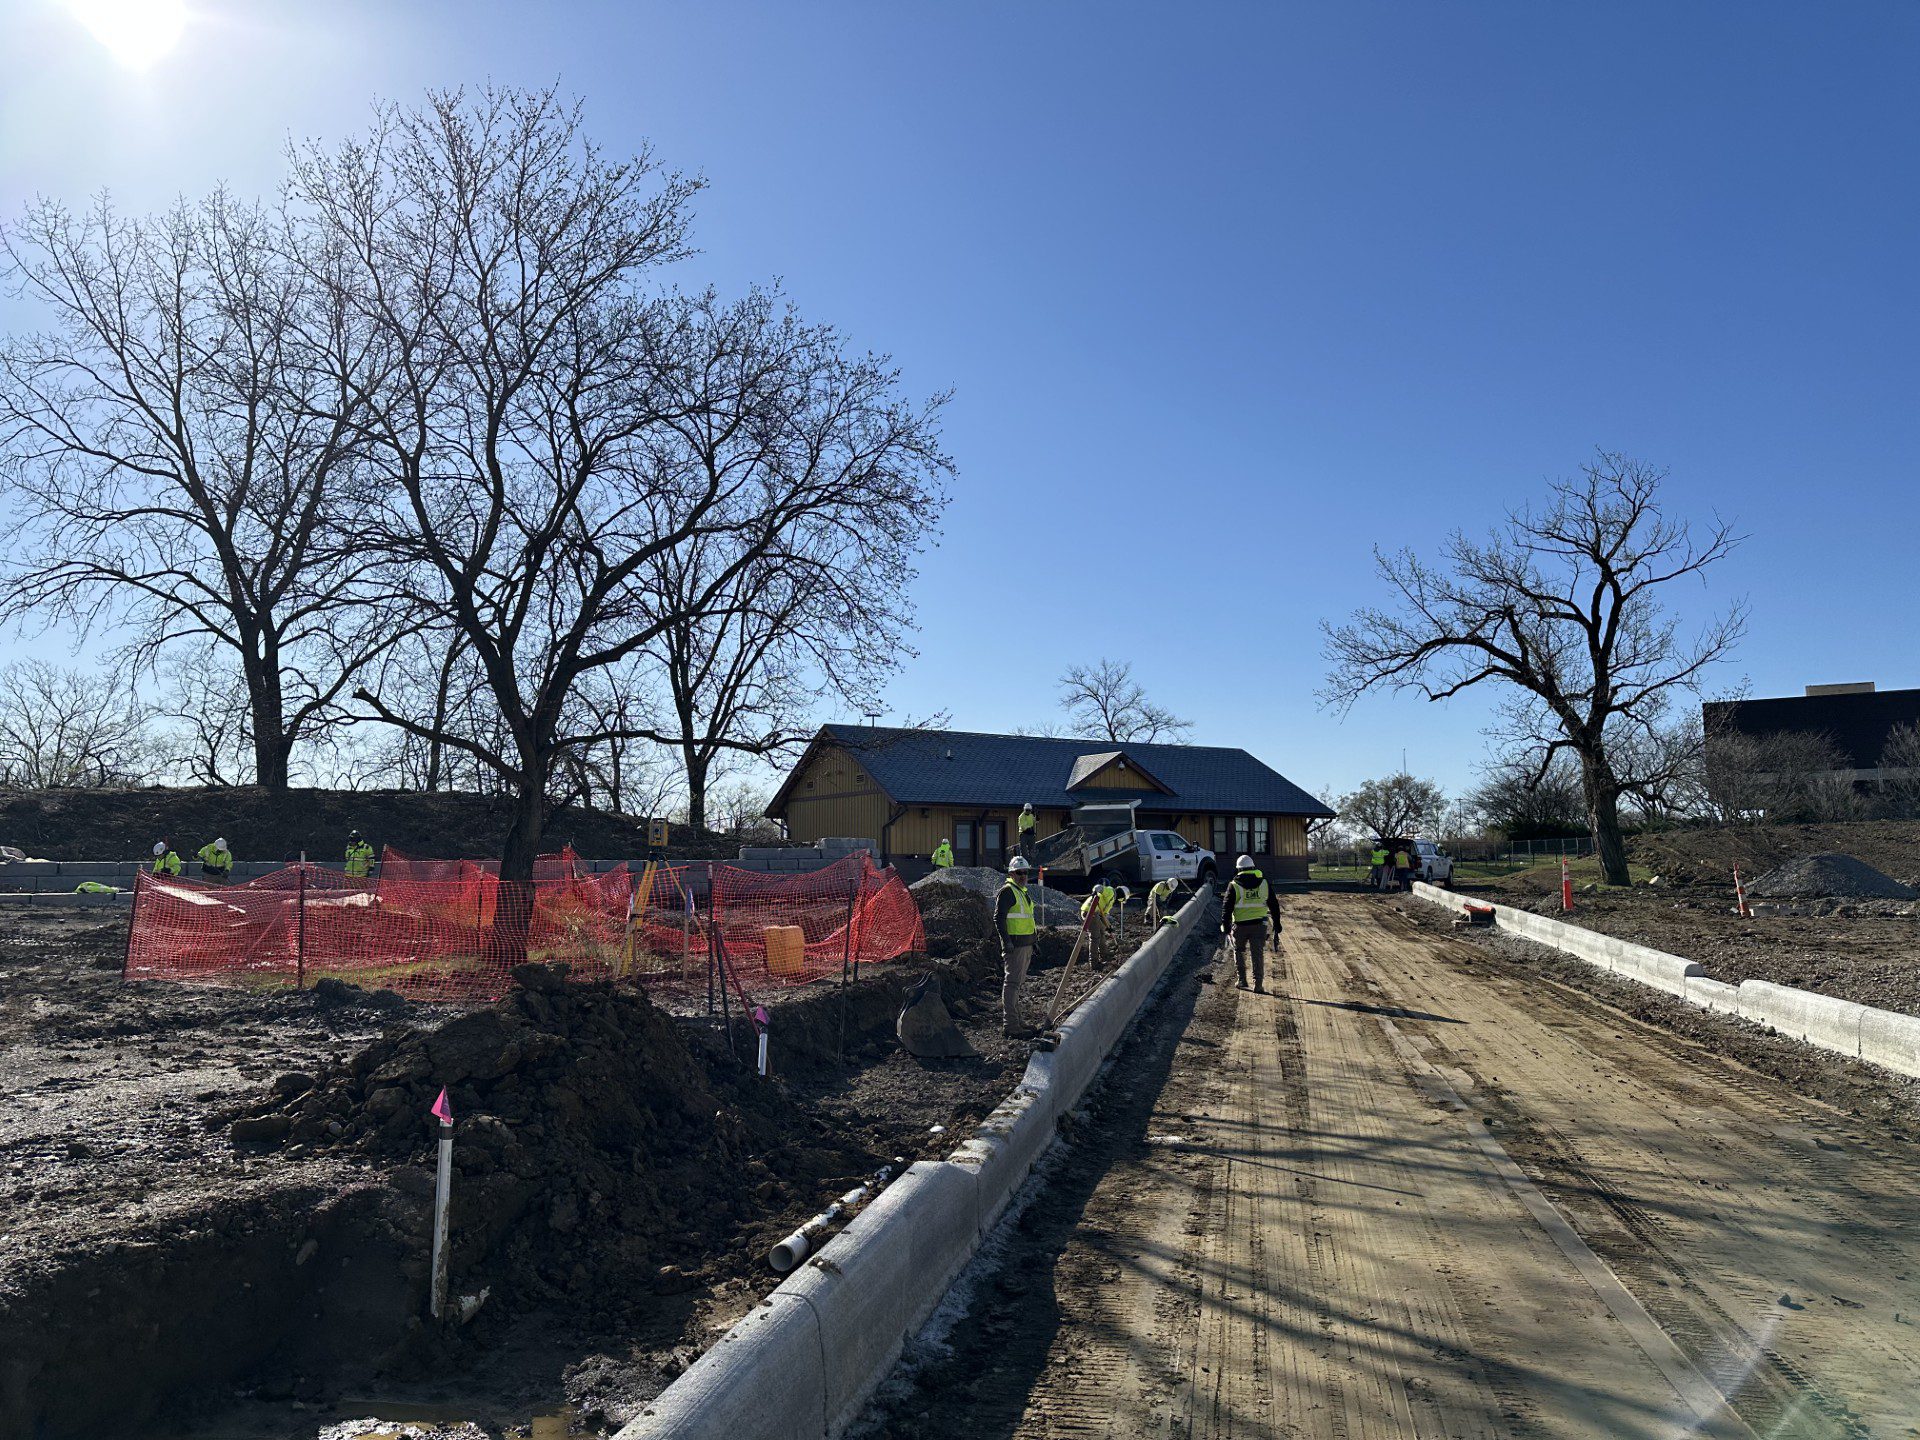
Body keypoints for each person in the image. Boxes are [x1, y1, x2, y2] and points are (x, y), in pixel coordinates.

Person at [1220, 853, 1282, 992]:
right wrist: (1277, 924)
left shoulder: (1233, 885)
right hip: (1259, 926)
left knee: (1239, 951)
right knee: (1257, 954)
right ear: (1253, 867)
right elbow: (1274, 904)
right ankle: (1258, 984)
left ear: (1238, 869)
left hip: (1240, 926)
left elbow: (1226, 908)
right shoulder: (1264, 883)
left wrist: (1226, 925)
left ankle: (1242, 980)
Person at [995, 855, 1039, 1038]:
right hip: (1015, 946)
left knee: (1017, 984)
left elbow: (1028, 919)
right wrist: (1006, 942)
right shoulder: (1007, 891)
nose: (1023, 876)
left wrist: (1034, 941)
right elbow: (999, 918)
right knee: (1012, 984)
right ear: (1011, 874)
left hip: (1025, 944)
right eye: (1019, 872)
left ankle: (1017, 1020)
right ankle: (1011, 1025)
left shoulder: (1021, 892)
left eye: (1025, 872)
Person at [1080, 880, 1118, 969]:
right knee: (1095, 937)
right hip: (1090, 911)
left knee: (1102, 931)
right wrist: (1094, 893)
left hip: (1095, 913)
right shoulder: (1110, 892)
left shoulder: (1109, 902)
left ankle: (1104, 955)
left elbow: (1103, 916)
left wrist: (1109, 927)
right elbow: (1098, 887)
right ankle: (1093, 963)